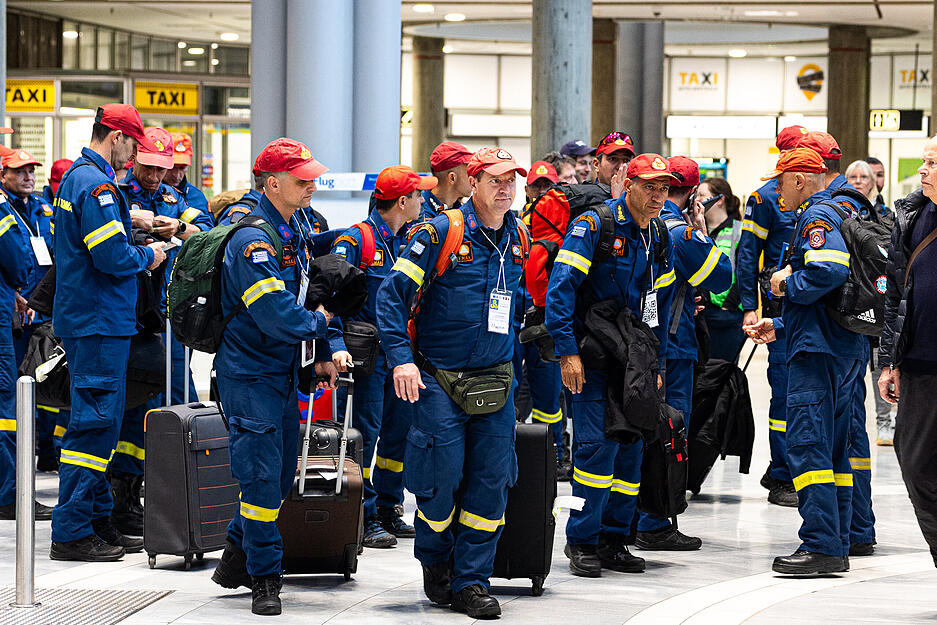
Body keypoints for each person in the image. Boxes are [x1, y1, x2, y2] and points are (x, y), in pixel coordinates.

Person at [376, 147, 529, 618]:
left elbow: (517, 306)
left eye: (511, 181)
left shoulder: (517, 237)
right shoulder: (439, 231)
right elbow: (390, 298)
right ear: (473, 182)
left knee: (491, 484)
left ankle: (471, 583)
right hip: (439, 380)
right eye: (496, 180)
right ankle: (436, 562)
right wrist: (401, 361)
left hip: (496, 380)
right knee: (440, 484)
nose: (505, 188)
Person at [209, 138, 336, 616]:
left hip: (280, 373)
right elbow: (278, 314)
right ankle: (265, 576)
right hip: (249, 377)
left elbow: (304, 296)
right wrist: (324, 324)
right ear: (274, 182)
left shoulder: (292, 228)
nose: (311, 184)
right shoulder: (252, 240)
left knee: (279, 478)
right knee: (262, 480)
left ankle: (235, 559)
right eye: (302, 178)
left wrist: (322, 340)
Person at [545, 153, 677, 578]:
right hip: (593, 360)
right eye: (650, 187)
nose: (658, 196)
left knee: (630, 451)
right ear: (630, 185)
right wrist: (567, 353)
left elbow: (660, 302)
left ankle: (615, 539)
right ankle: (581, 540)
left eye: (664, 188)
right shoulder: (594, 227)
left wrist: (655, 360)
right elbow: (561, 290)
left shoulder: (657, 234)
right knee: (593, 451)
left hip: (634, 363)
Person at [50, 103, 166, 562]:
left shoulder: (81, 178)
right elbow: (111, 258)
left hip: (96, 320)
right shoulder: (95, 183)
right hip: (98, 322)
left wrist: (129, 223)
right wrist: (150, 255)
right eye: (134, 144)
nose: (134, 154)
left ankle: (98, 519)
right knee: (93, 427)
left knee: (104, 423)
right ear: (115, 136)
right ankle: (73, 531)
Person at [745, 147, 866, 575]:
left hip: (818, 355)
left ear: (801, 178)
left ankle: (821, 545)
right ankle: (840, 538)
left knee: (808, 446)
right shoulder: (845, 208)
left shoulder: (816, 216)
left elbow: (828, 272)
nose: (778, 190)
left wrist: (783, 283)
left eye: (781, 181)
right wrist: (780, 325)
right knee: (835, 452)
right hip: (841, 345)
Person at [330, 165, 434, 548]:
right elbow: (333, 301)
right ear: (402, 202)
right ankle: (363, 512)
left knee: (398, 436)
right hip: (365, 361)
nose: (424, 202)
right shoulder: (356, 241)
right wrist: (336, 345)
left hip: (401, 357)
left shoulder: (410, 239)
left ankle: (389, 506)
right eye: (419, 196)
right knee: (363, 436)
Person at [639, 156, 730, 547]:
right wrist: (702, 231)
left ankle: (633, 520)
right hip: (672, 349)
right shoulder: (681, 233)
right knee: (670, 436)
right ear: (694, 195)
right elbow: (723, 277)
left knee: (643, 432)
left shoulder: (646, 226)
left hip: (644, 341)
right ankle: (654, 523)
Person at [736, 125, 806, 508]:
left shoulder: (824, 198)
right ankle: (782, 473)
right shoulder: (766, 199)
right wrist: (750, 304)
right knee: (783, 394)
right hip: (779, 309)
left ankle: (798, 468)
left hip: (814, 310)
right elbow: (748, 252)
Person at [879, 136, 937, 570]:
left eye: (932, 163)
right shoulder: (913, 216)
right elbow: (895, 295)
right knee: (915, 464)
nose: (922, 171)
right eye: (924, 162)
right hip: (920, 365)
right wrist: (889, 361)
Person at [0, 125, 53, 522]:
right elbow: (19, 261)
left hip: (23, 307)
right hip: (11, 312)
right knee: (10, 401)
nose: (28, 176)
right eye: (19, 171)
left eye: (31, 170)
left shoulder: (35, 208)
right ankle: (11, 493)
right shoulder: (4, 212)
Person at [517, 161, 567, 477]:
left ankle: (555, 454)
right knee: (508, 389)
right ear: (528, 190)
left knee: (548, 392)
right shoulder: (515, 226)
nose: (542, 191)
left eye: (548, 185)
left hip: (546, 318)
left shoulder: (566, 228)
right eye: (537, 186)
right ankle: (510, 450)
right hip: (514, 316)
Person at [864, 156, 897, 445]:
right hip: (853, 307)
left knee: (881, 367)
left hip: (881, 304)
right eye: (866, 175)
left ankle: (885, 423)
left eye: (879, 175)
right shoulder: (847, 212)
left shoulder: (891, 215)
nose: (873, 180)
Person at [697, 177, 747, 362]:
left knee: (721, 375)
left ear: (719, 199)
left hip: (726, 314)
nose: (697, 200)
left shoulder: (739, 230)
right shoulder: (694, 230)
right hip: (701, 313)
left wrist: (730, 304)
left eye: (702, 195)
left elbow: (745, 271)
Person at [164, 132, 213, 226]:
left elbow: (208, 232)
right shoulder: (148, 192)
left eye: (182, 168)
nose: (177, 175)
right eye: (172, 167)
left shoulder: (197, 197)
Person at [422, 141, 473, 221]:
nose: (473, 179)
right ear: (452, 178)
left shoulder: (465, 212)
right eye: (469, 173)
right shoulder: (417, 211)